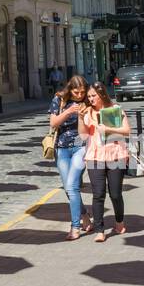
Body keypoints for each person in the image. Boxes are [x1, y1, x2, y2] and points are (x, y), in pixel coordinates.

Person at [80, 82, 130, 242]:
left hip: (116, 155)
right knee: (98, 194)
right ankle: (100, 230)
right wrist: (81, 118)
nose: (91, 99)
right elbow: (82, 136)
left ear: (102, 95)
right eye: (89, 96)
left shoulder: (114, 110)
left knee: (115, 194)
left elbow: (127, 131)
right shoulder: (87, 112)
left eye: (93, 95)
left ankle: (119, 222)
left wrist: (109, 130)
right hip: (94, 157)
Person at [49, 74, 91, 240]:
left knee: (72, 186)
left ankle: (75, 227)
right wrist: (68, 111)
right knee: (69, 187)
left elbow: (86, 132)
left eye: (82, 92)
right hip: (61, 148)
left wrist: (81, 115)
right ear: (70, 89)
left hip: (80, 147)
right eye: (76, 92)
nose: (79, 95)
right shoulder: (58, 100)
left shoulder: (87, 102)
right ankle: (86, 216)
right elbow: (53, 123)